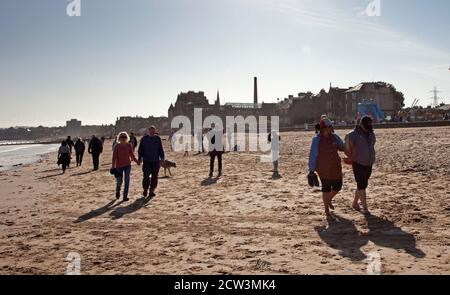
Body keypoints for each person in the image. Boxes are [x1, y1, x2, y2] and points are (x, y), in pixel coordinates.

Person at [308, 118, 345, 216]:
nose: (332, 128)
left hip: (335, 167)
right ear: (324, 128)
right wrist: (311, 170)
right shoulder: (316, 140)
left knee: (338, 186)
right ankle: (326, 209)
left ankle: (328, 200)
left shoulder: (335, 137)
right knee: (326, 188)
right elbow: (312, 155)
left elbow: (342, 147)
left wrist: (351, 153)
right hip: (323, 169)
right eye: (330, 126)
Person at [345, 116, 376, 214]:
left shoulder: (371, 133)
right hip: (358, 163)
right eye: (366, 125)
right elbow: (347, 147)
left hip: (369, 163)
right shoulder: (352, 135)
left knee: (363, 184)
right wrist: (351, 157)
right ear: (361, 124)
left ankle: (355, 203)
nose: (368, 127)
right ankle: (365, 208)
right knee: (362, 185)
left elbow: (372, 145)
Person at [138, 126, 165, 197]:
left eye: (153, 131)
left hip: (156, 161)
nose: (152, 132)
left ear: (155, 131)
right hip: (146, 161)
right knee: (146, 176)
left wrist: (162, 158)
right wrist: (139, 158)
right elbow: (140, 149)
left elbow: (160, 149)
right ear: (148, 131)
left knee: (154, 176)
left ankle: (152, 190)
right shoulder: (144, 139)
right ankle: (145, 189)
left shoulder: (157, 139)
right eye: (150, 131)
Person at [112, 132, 140, 201]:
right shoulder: (117, 146)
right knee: (119, 181)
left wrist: (137, 161)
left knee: (127, 180)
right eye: (122, 137)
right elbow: (114, 157)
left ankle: (125, 196)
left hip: (127, 165)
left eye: (124, 137)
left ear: (127, 138)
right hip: (118, 166)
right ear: (119, 138)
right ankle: (118, 190)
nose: (123, 138)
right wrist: (113, 166)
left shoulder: (129, 145)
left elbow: (131, 155)